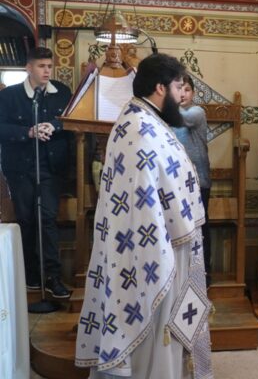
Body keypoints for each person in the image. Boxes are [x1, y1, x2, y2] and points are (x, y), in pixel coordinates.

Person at [75, 53, 213, 379]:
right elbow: (145, 199)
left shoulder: (143, 120)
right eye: (178, 87)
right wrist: (169, 240)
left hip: (167, 240)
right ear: (160, 88)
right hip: (154, 249)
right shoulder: (141, 129)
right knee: (158, 330)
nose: (182, 95)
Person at [0, 46, 72, 298]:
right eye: (41, 66)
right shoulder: (9, 96)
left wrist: (53, 126)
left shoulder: (61, 92)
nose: (47, 71)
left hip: (51, 166)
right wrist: (28, 132)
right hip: (20, 168)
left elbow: (69, 119)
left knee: (47, 218)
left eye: (49, 66)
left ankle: (52, 276)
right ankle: (30, 273)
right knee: (26, 219)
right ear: (28, 68)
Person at [172, 74, 212, 286]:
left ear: (193, 93)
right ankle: (180, 275)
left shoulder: (197, 112)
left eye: (186, 89)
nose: (183, 94)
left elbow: (181, 119)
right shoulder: (168, 115)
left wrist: (165, 102)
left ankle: (204, 274)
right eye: (178, 89)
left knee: (200, 226)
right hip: (175, 181)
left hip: (198, 180)